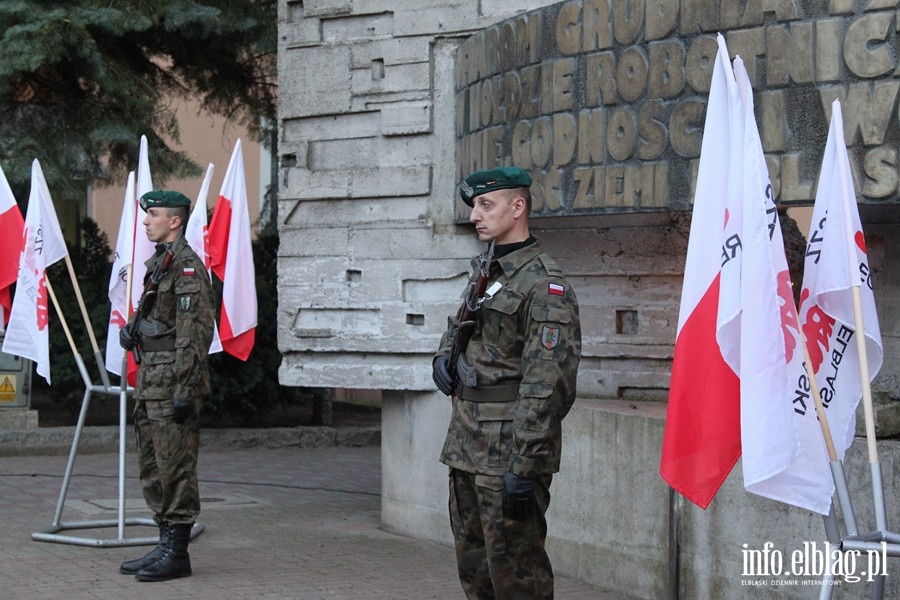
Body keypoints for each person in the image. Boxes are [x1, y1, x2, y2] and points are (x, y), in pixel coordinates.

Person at [432, 166, 582, 599]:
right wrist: (444, 356)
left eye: (486, 205)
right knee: (474, 566)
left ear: (517, 207)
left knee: (517, 573)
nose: (476, 215)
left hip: (509, 450)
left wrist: (527, 461)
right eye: (474, 206)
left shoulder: (544, 284)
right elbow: (463, 324)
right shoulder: (489, 272)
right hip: (467, 443)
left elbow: (549, 381)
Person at [119, 189, 215, 582]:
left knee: (175, 468)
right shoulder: (161, 264)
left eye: (153, 214)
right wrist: (135, 331)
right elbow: (163, 319)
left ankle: (177, 554)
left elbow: (194, 334)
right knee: (153, 466)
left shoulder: (187, 267)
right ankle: (164, 545)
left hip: (173, 381)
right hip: (151, 379)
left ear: (174, 221)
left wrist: (185, 387)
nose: (146, 221)